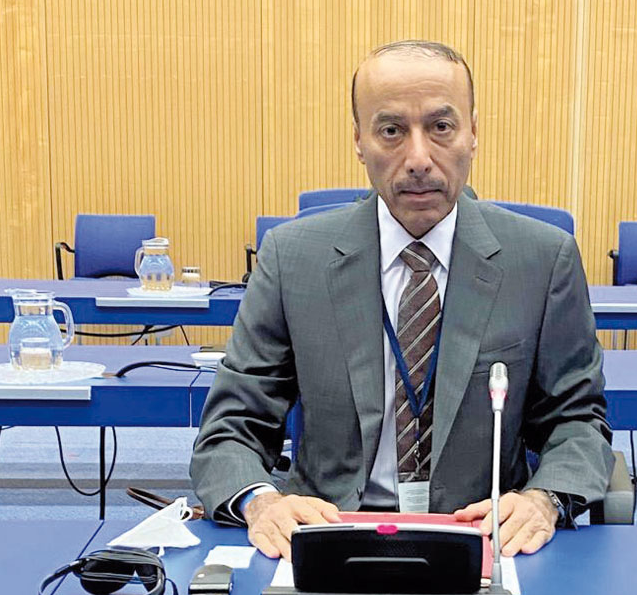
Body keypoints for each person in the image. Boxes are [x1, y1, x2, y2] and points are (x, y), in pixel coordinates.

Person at [190, 40, 613, 559]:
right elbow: (231, 428)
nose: (418, 159)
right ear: (359, 140)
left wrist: (542, 500)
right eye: (391, 130)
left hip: (484, 538)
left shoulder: (542, 260)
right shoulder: (293, 259)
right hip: (327, 537)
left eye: (441, 127)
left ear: (473, 133)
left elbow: (578, 421)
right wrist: (261, 502)